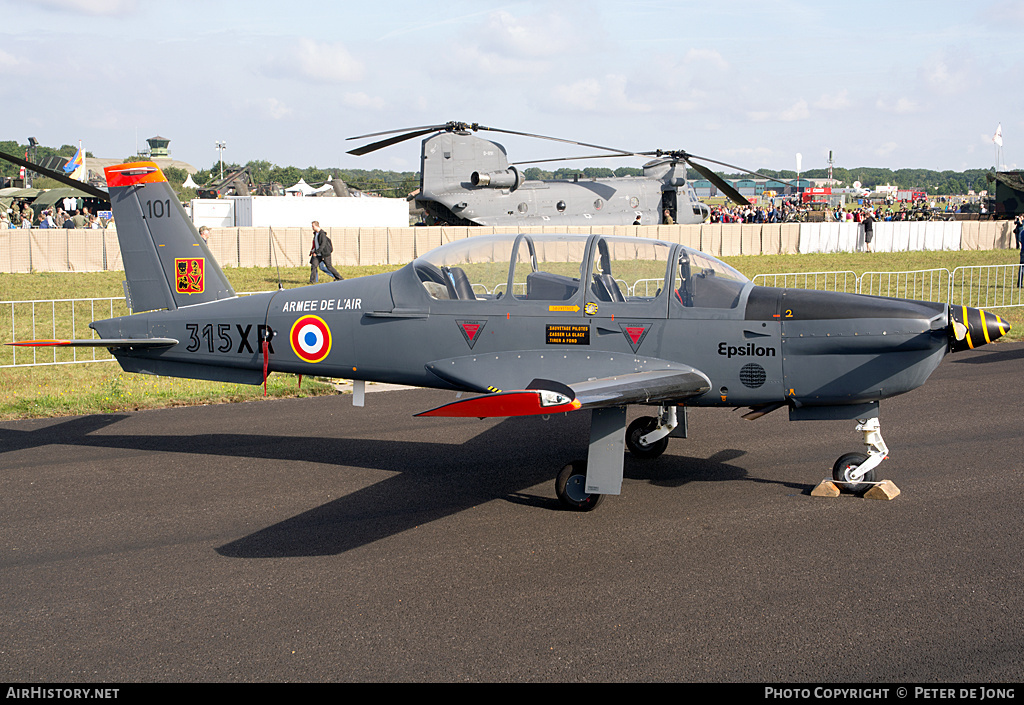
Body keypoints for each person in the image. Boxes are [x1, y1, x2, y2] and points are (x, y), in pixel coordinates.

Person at [1015, 215, 1024, 288]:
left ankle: (1019, 283)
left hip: (1023, 251)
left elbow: (1020, 241)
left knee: (1021, 268)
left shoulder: (1022, 233)